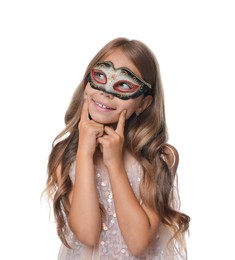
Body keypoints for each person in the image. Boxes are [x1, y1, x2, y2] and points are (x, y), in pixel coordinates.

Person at [45, 37, 190, 259]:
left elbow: (138, 243)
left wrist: (114, 163)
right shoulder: (65, 156)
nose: (106, 92)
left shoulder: (159, 158)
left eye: (123, 84)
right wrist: (84, 152)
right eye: (100, 76)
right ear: (87, 84)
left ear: (143, 103)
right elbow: (87, 234)